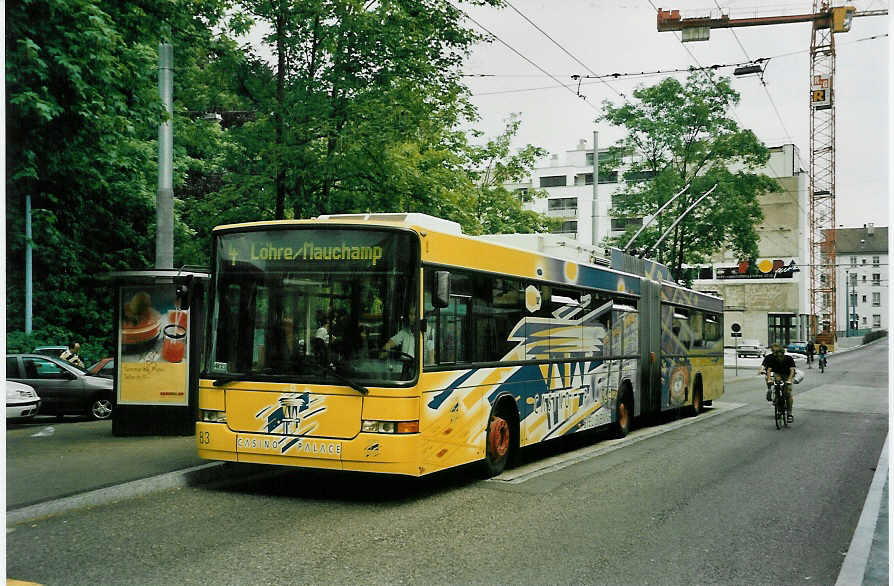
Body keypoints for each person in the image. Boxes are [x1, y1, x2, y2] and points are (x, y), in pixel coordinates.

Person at [760, 344, 796, 423]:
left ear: (783, 354)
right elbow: (769, 370)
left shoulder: (789, 359)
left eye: (781, 356)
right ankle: (777, 402)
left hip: (787, 374)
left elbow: (792, 370)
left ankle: (789, 414)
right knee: (777, 386)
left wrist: (789, 380)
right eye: (777, 356)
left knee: (788, 393)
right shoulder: (773, 359)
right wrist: (769, 379)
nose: (779, 358)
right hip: (778, 374)